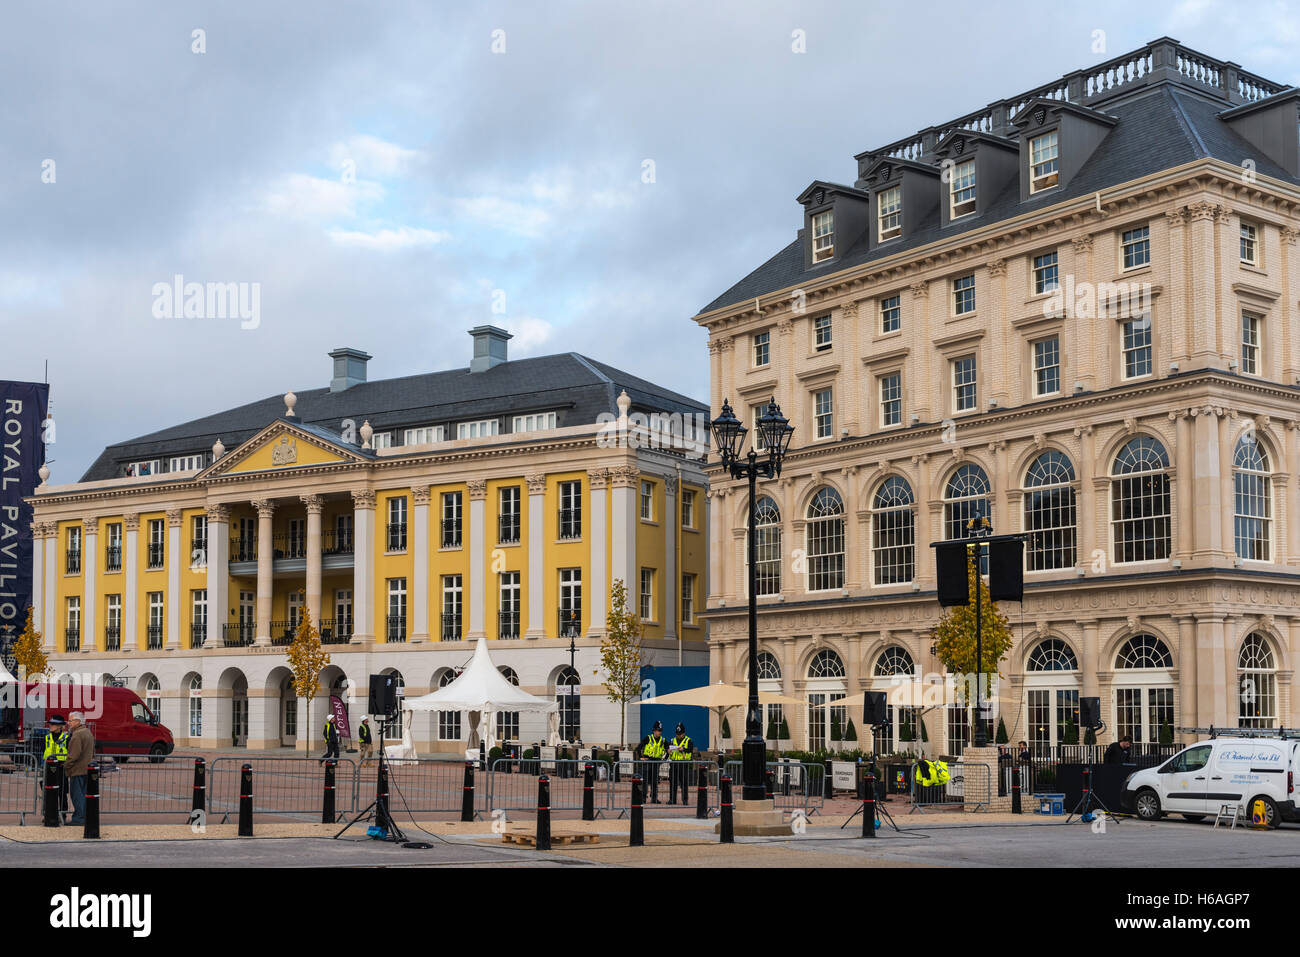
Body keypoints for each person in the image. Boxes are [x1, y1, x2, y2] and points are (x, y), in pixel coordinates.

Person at [64, 712, 94, 827]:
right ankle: (84, 816)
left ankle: (79, 818)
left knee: (77, 795)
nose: (68, 723)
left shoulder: (77, 735)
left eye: (70, 721)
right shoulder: (88, 733)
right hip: (87, 769)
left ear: (78, 722)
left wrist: (66, 765)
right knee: (84, 794)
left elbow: (74, 755)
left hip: (77, 770)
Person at [42, 715, 69, 817]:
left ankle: (63, 815)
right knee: (48, 792)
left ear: (60, 726)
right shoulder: (47, 737)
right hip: (48, 768)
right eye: (50, 724)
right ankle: (48, 814)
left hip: (61, 768)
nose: (50, 726)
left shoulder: (66, 738)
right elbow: (43, 751)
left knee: (62, 793)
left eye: (53, 724)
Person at [637, 720, 667, 803]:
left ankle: (654, 798)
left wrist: (664, 759)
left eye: (660, 730)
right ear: (654, 730)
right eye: (658, 730)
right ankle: (643, 798)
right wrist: (641, 757)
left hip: (656, 762)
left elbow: (668, 749)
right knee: (645, 781)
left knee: (655, 781)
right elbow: (639, 747)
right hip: (648, 761)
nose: (659, 732)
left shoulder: (663, 740)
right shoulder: (648, 738)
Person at [668, 722, 694, 805]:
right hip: (674, 764)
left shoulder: (688, 740)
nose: (679, 736)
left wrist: (683, 749)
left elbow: (690, 749)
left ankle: (685, 800)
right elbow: (667, 748)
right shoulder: (672, 740)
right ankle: (672, 800)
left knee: (684, 783)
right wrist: (667, 751)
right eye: (677, 734)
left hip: (683, 764)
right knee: (673, 783)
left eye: (680, 734)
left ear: (684, 733)